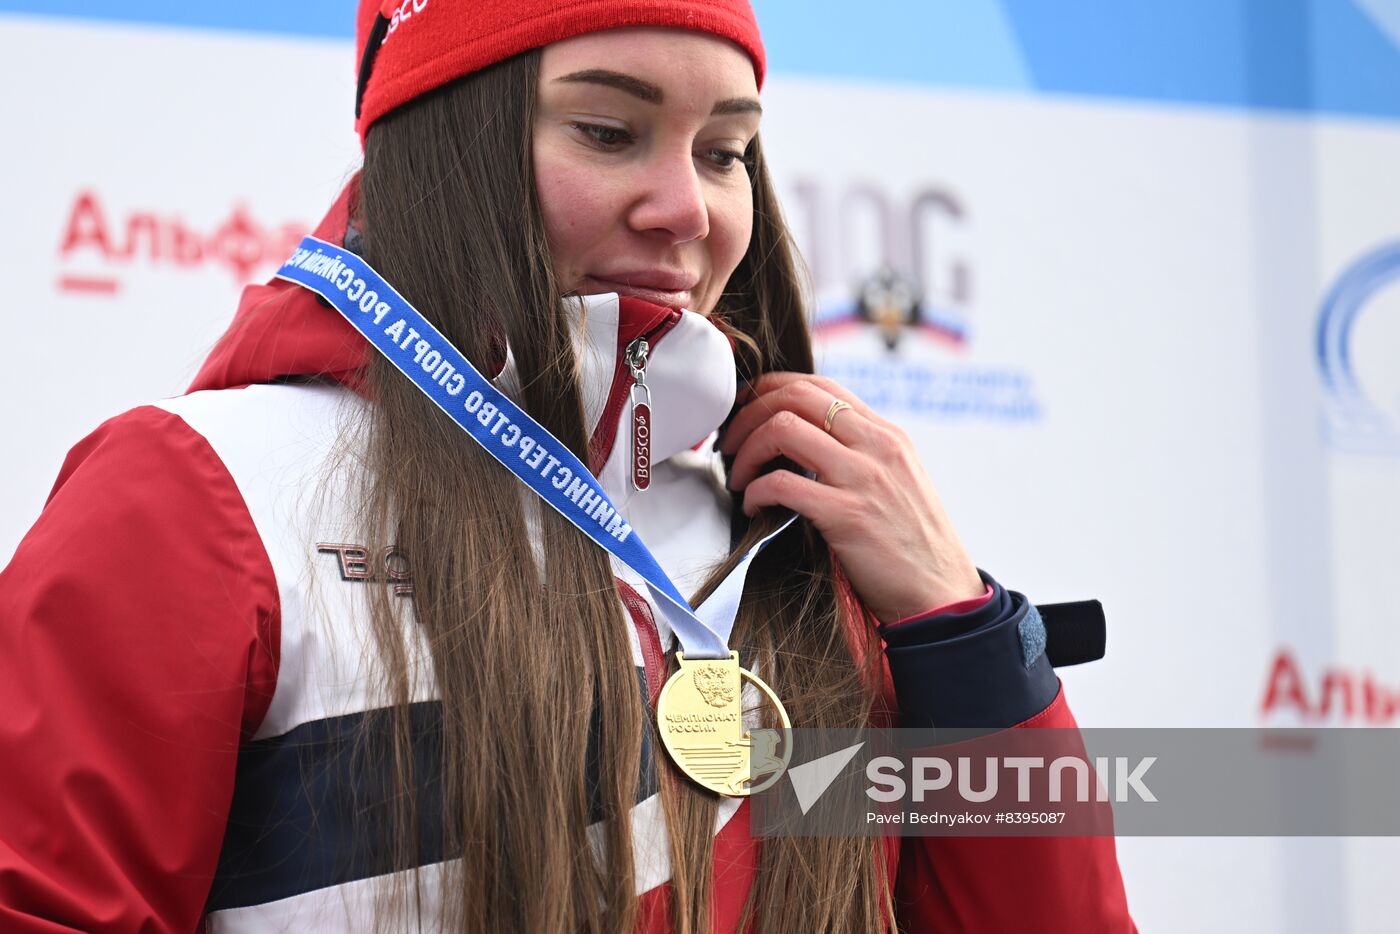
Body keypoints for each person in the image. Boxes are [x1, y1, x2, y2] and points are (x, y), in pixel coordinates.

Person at [0, 1, 1136, 931]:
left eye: (725, 150)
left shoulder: (784, 542)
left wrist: (964, 639)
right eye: (607, 131)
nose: (687, 206)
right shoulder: (202, 493)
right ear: (448, 146)